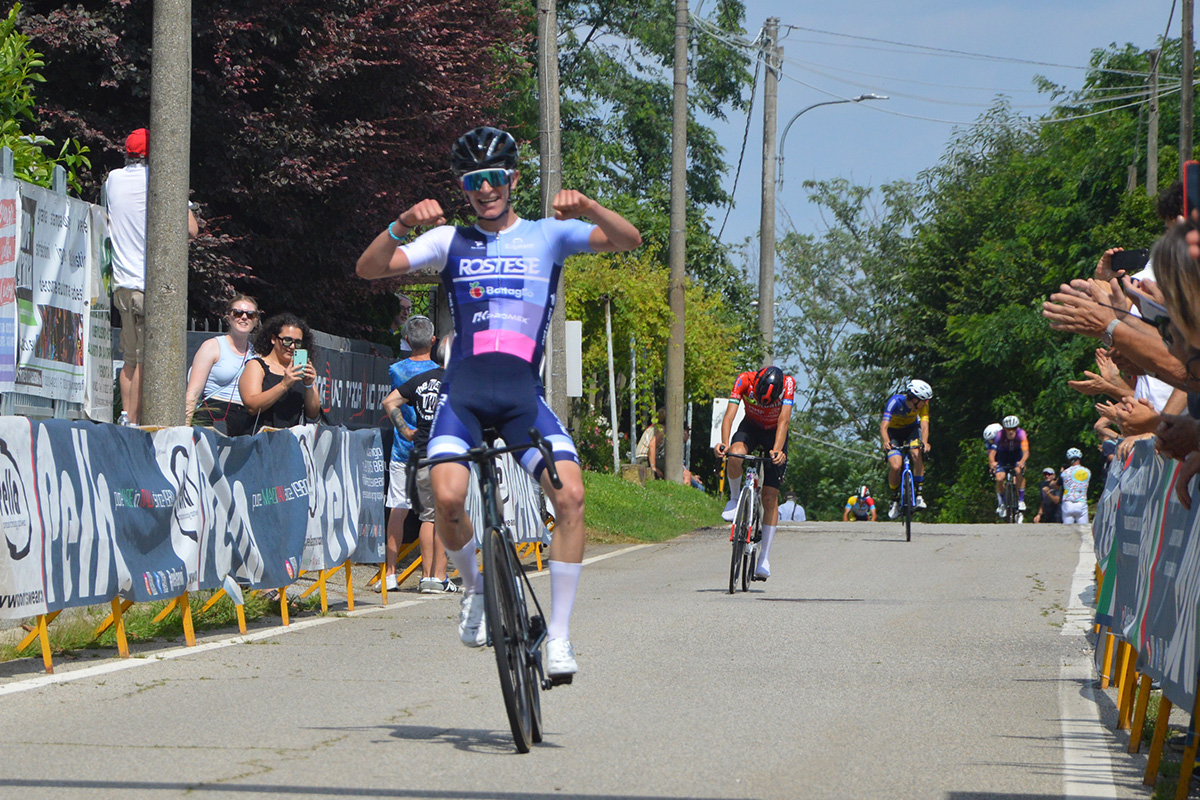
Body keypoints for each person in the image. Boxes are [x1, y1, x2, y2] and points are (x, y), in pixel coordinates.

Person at [355, 125, 642, 679]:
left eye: (493, 178)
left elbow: (628, 240)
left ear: (512, 179)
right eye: (472, 182)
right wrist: (402, 224)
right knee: (448, 498)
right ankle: (477, 590)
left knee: (572, 496)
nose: (484, 190)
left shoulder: (547, 236)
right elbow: (369, 269)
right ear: (463, 188)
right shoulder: (449, 242)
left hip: (520, 400)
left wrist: (586, 205)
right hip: (462, 398)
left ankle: (558, 637)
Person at [106, 127, 199, 426]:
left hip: (121, 285)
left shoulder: (113, 179)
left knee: (130, 360)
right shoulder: (161, 180)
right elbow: (192, 230)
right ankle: (134, 424)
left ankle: (124, 417)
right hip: (148, 287)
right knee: (147, 359)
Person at [383, 333, 456, 594]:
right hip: (451, 456)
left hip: (423, 452)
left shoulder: (422, 380)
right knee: (446, 516)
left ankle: (427, 577)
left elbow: (389, 401)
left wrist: (405, 430)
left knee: (428, 516)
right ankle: (439, 577)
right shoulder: (460, 382)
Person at [714, 365, 795, 581]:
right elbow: (729, 417)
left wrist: (777, 450)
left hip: (774, 434)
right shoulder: (743, 380)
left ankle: (764, 558)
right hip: (750, 427)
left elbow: (784, 420)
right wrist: (723, 443)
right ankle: (733, 500)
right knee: (735, 454)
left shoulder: (788, 384)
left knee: (769, 496)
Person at [184, 294, 258, 435]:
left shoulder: (257, 353)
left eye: (250, 314)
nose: (244, 317)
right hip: (213, 418)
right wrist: (185, 430)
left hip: (245, 423)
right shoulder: (212, 346)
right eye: (237, 313)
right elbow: (193, 393)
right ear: (228, 318)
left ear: (255, 321)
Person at [238, 313, 320, 433]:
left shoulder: (299, 370)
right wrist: (284, 385)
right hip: (260, 439)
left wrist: (309, 385)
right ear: (273, 339)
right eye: (287, 340)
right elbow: (252, 406)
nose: (292, 346)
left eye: (297, 343)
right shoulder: (257, 365)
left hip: (290, 440)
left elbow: (313, 414)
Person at [880, 379, 933, 519]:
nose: (926, 403)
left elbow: (924, 424)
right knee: (896, 466)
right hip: (893, 433)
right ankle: (894, 499)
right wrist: (886, 441)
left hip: (911, 430)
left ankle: (919, 495)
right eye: (924, 400)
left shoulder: (923, 406)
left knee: (916, 454)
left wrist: (925, 442)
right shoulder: (895, 402)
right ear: (915, 398)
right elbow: (884, 426)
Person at [988, 415, 1030, 517]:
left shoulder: (1021, 434)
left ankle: (1021, 500)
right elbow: (992, 453)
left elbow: (1026, 452)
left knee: (1019, 472)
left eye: (1014, 428)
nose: (1011, 431)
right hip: (1003, 457)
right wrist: (992, 462)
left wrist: (1022, 461)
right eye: (1008, 429)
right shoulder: (1000, 435)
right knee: (999, 478)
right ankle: (1002, 503)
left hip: (1017, 456)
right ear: (1004, 429)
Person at [1060, 448, 1092, 524]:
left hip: (1068, 502)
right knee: (1084, 530)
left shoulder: (1065, 472)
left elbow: (1059, 484)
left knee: (1067, 530)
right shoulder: (1087, 471)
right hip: (1081, 502)